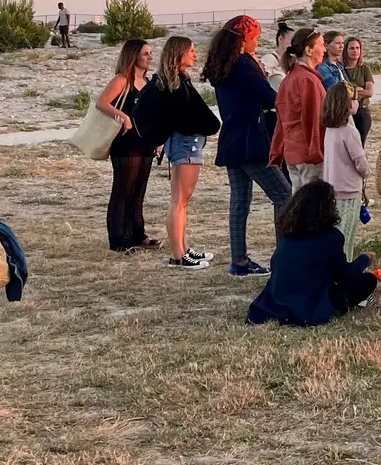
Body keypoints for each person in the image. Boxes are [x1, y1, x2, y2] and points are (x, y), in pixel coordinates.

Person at [204, 16, 291, 277]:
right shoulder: (244, 64)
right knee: (283, 195)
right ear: (244, 38)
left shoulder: (224, 64)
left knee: (240, 201)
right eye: (255, 37)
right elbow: (269, 97)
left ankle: (239, 261)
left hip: (232, 139)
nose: (257, 42)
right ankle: (284, 255)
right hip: (251, 140)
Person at [246, 182, 379, 326]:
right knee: (368, 280)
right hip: (308, 308)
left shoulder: (287, 232)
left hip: (274, 303)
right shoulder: (332, 237)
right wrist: (364, 259)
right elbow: (345, 274)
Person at [153, 35, 220, 269]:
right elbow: (182, 116)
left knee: (182, 201)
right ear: (179, 53)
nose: (195, 55)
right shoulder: (172, 85)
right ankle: (178, 255)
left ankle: (183, 248)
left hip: (187, 142)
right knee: (179, 200)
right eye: (191, 51)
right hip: (185, 143)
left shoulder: (178, 80)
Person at [98, 38, 159, 253]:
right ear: (134, 56)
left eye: (150, 53)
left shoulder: (149, 81)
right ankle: (118, 239)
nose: (150, 57)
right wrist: (123, 117)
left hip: (146, 142)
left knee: (139, 190)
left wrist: (159, 139)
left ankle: (137, 234)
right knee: (123, 190)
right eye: (145, 53)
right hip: (126, 143)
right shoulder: (122, 80)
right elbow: (101, 103)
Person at [269, 27, 328, 191]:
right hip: (308, 153)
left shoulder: (290, 77)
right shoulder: (306, 79)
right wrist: (317, 152)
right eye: (321, 45)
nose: (324, 50)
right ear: (309, 50)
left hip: (293, 150)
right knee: (312, 200)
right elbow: (313, 119)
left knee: (299, 199)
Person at [321, 79, 370, 259]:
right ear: (347, 104)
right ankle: (345, 267)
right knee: (346, 237)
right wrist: (367, 172)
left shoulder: (330, 130)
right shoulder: (350, 132)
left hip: (332, 189)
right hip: (349, 191)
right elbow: (360, 162)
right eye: (355, 99)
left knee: (335, 234)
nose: (357, 102)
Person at [341, 37, 375, 142]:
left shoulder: (364, 69)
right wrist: (357, 90)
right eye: (352, 48)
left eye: (357, 48)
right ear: (345, 50)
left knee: (359, 144)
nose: (355, 51)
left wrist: (352, 91)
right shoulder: (340, 69)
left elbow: (369, 92)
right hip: (345, 112)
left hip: (362, 111)